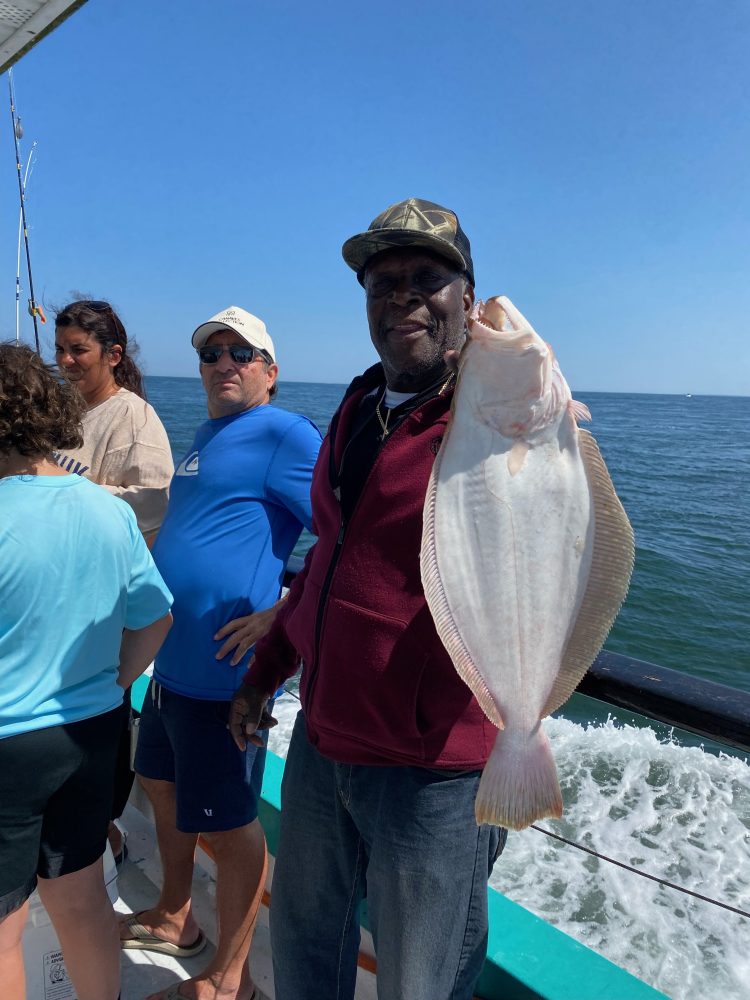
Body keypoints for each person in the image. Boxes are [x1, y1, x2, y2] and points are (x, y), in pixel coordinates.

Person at [229, 199, 508, 1000]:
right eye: (382, 282)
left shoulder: (496, 416)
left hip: (433, 771)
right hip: (325, 739)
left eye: (427, 278)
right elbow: (328, 559)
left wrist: (523, 388)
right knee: (307, 943)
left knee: (421, 980)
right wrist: (267, 669)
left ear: (469, 297)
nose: (402, 297)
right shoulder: (356, 406)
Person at [122, 306, 322, 1000]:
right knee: (161, 789)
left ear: (270, 371)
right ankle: (177, 917)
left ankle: (228, 979)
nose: (224, 363)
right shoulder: (210, 433)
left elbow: (350, 533)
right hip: (170, 666)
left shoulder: (285, 434)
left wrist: (285, 611)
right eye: (212, 353)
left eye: (242, 353)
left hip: (225, 678)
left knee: (233, 827)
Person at [0, 344, 173, 1000]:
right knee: (81, 903)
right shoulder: (107, 510)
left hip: (7, 749)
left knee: (3, 933)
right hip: (93, 735)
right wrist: (112, 686)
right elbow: (156, 619)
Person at [54, 298, 175, 866]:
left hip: (101, 611)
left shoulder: (134, 419)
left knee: (96, 729)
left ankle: (101, 842)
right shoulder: (64, 411)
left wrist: (61, 492)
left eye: (78, 350)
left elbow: (149, 510)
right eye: (60, 349)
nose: (66, 361)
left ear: (113, 354)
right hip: (55, 604)